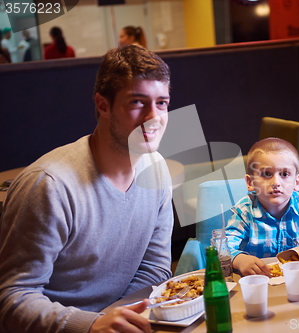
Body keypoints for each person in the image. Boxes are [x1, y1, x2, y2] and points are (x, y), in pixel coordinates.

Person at [0, 45, 173, 333]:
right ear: (103, 105)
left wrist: (118, 319)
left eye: (162, 103)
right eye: (137, 102)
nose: (152, 117)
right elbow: (12, 298)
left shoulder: (156, 169)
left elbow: (154, 268)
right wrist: (91, 325)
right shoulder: (50, 185)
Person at [226, 138, 299, 276]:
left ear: (296, 182)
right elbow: (221, 248)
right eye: (267, 174)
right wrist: (239, 259)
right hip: (260, 281)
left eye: (285, 174)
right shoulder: (244, 211)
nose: (276, 182)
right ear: (250, 182)